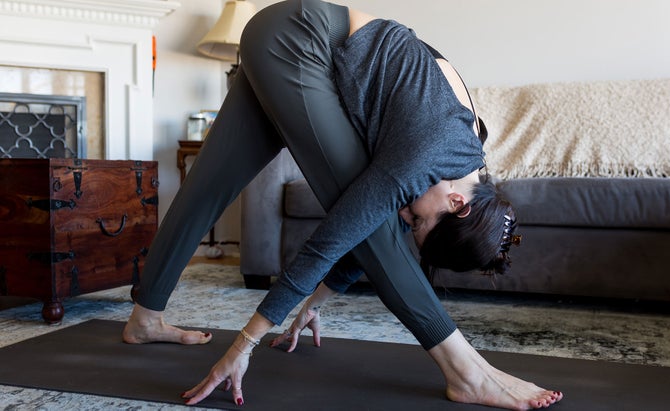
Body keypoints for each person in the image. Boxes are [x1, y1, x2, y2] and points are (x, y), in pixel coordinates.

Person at [122, 0, 563, 409]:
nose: (406, 215)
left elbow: (368, 215)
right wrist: (244, 345)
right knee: (373, 225)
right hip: (299, 40)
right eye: (418, 220)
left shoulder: (467, 151)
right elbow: (340, 236)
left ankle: (144, 317)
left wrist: (314, 302)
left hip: (285, 32)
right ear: (457, 202)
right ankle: (465, 370)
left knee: (208, 186)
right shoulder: (427, 155)